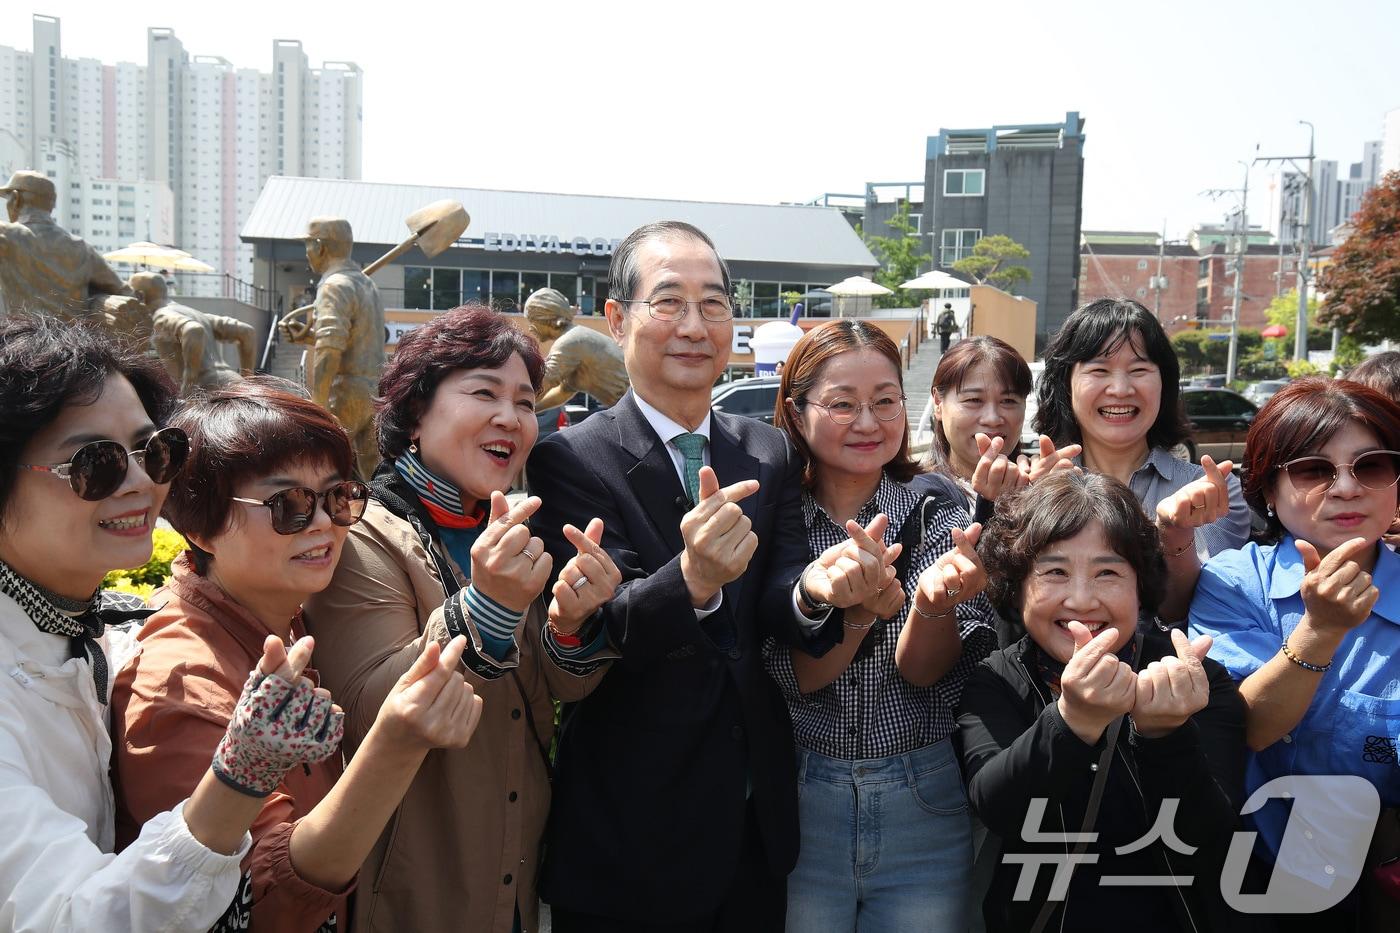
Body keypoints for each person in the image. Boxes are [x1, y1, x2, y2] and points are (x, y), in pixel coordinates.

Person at [527, 221, 890, 930]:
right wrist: (690, 577)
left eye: (715, 304)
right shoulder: (570, 459)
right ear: (616, 318)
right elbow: (603, 627)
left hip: (752, 827)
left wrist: (820, 589)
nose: (695, 325)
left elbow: (783, 592)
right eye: (670, 302)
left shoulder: (767, 451)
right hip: (630, 834)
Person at [0, 314, 343, 931]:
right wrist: (239, 777)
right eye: (95, 464)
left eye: (155, 452)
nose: (141, 483)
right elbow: (68, 918)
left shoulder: (93, 629)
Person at [110, 379, 485, 933]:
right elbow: (264, 899)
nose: (323, 524)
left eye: (339, 497)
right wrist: (395, 745)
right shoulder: (180, 679)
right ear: (200, 528)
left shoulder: (291, 620)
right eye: (287, 504)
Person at [303, 304, 622, 933]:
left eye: (527, 402)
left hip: (514, 870)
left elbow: (552, 689)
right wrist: (492, 604)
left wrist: (569, 622)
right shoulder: (363, 536)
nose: (511, 417)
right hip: (412, 881)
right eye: (483, 392)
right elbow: (371, 705)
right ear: (416, 414)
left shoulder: (502, 533)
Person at [766, 319, 996, 931]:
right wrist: (859, 617)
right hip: (802, 790)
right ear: (796, 409)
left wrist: (932, 601)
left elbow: (924, 671)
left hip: (923, 791)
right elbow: (797, 679)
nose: (868, 423)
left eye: (885, 401)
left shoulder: (942, 506)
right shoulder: (774, 516)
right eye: (842, 404)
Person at [958, 471, 1246, 933]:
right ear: (1016, 587)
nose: (1081, 599)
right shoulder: (996, 680)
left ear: (1142, 585)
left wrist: (1165, 736)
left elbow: (1212, 836)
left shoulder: (1193, 677)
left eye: (1108, 572)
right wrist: (1071, 721)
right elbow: (998, 807)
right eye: (1054, 572)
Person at [1189, 377, 1400, 923]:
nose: (1347, 488)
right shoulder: (1233, 582)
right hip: (1240, 879)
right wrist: (1320, 631)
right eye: (1314, 470)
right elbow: (1244, 728)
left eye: (1371, 466)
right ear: (1267, 487)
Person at [1035, 298, 1247, 621]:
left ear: (1165, 384)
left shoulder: (1212, 490)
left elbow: (1201, 606)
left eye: (1139, 370)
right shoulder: (1039, 486)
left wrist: (1176, 534)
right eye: (1099, 370)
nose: (1120, 389)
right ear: (1066, 384)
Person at [279, 217, 385, 480]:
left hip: (344, 392)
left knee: (324, 466)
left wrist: (319, 403)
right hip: (372, 390)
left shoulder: (334, 285)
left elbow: (330, 347)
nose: (306, 254)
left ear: (320, 246)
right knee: (372, 471)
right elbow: (351, 339)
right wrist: (306, 337)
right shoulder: (367, 285)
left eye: (307, 245)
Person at [0, 171, 144, 330]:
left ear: (15, 198)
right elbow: (125, 292)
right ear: (52, 204)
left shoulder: (7, 236)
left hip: (20, 346)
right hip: (72, 348)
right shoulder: (82, 248)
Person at [134, 271, 256, 395]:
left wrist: (188, 390)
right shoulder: (196, 314)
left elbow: (193, 330)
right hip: (236, 383)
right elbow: (246, 332)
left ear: (140, 296)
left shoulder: (162, 316)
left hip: (209, 392)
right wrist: (247, 381)